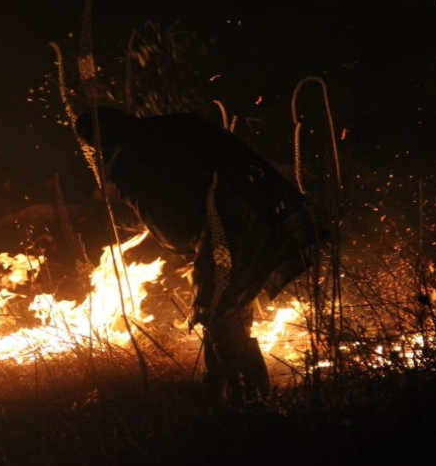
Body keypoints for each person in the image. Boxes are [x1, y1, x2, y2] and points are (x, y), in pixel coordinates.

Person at [75, 106, 325, 402]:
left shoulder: (127, 162)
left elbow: (173, 231)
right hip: (269, 207)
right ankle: (223, 391)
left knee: (217, 312)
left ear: (100, 142)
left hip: (228, 225)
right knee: (230, 309)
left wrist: (116, 204)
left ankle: (247, 399)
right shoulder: (177, 122)